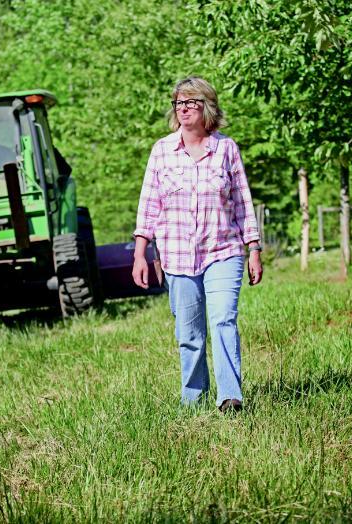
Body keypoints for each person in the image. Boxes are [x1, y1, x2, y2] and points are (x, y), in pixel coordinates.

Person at [132, 76, 263, 413]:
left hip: (223, 250)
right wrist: (140, 254)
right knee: (189, 334)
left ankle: (230, 397)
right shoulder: (162, 151)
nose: (184, 108)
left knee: (222, 320)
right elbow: (149, 204)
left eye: (192, 102)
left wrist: (254, 248)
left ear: (208, 108)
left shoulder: (226, 149)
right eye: (179, 103)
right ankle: (193, 399)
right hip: (176, 255)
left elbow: (243, 202)